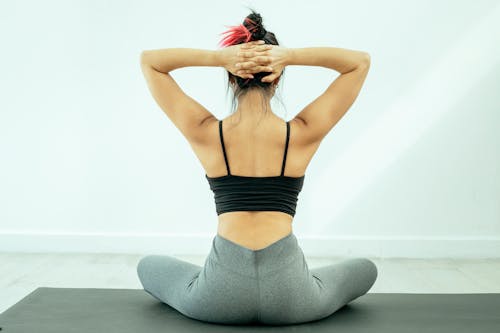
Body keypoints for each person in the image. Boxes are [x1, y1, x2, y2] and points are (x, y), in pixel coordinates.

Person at [136, 9, 377, 326]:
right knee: (366, 269)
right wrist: (288, 56)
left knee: (148, 265)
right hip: (292, 296)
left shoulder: (206, 132)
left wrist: (218, 58)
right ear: (277, 77)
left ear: (231, 77)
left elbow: (150, 61)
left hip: (218, 297)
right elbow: (359, 62)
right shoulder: (301, 133)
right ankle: (303, 278)